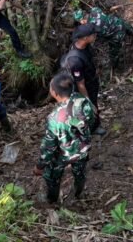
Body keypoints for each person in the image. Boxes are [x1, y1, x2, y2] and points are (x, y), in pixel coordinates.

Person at [34, 72, 95, 204]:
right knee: (80, 172)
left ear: (55, 93)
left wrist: (40, 166)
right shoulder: (83, 101)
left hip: (62, 154)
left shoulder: (55, 118)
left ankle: (52, 199)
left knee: (52, 176)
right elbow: (91, 120)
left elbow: (49, 147)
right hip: (82, 150)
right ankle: (78, 192)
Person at [60, 24, 106, 135]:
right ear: (85, 38)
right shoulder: (75, 60)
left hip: (90, 79)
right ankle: (91, 127)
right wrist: (88, 101)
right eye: (93, 35)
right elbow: (80, 84)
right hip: (83, 85)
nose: (95, 36)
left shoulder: (84, 45)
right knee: (89, 106)